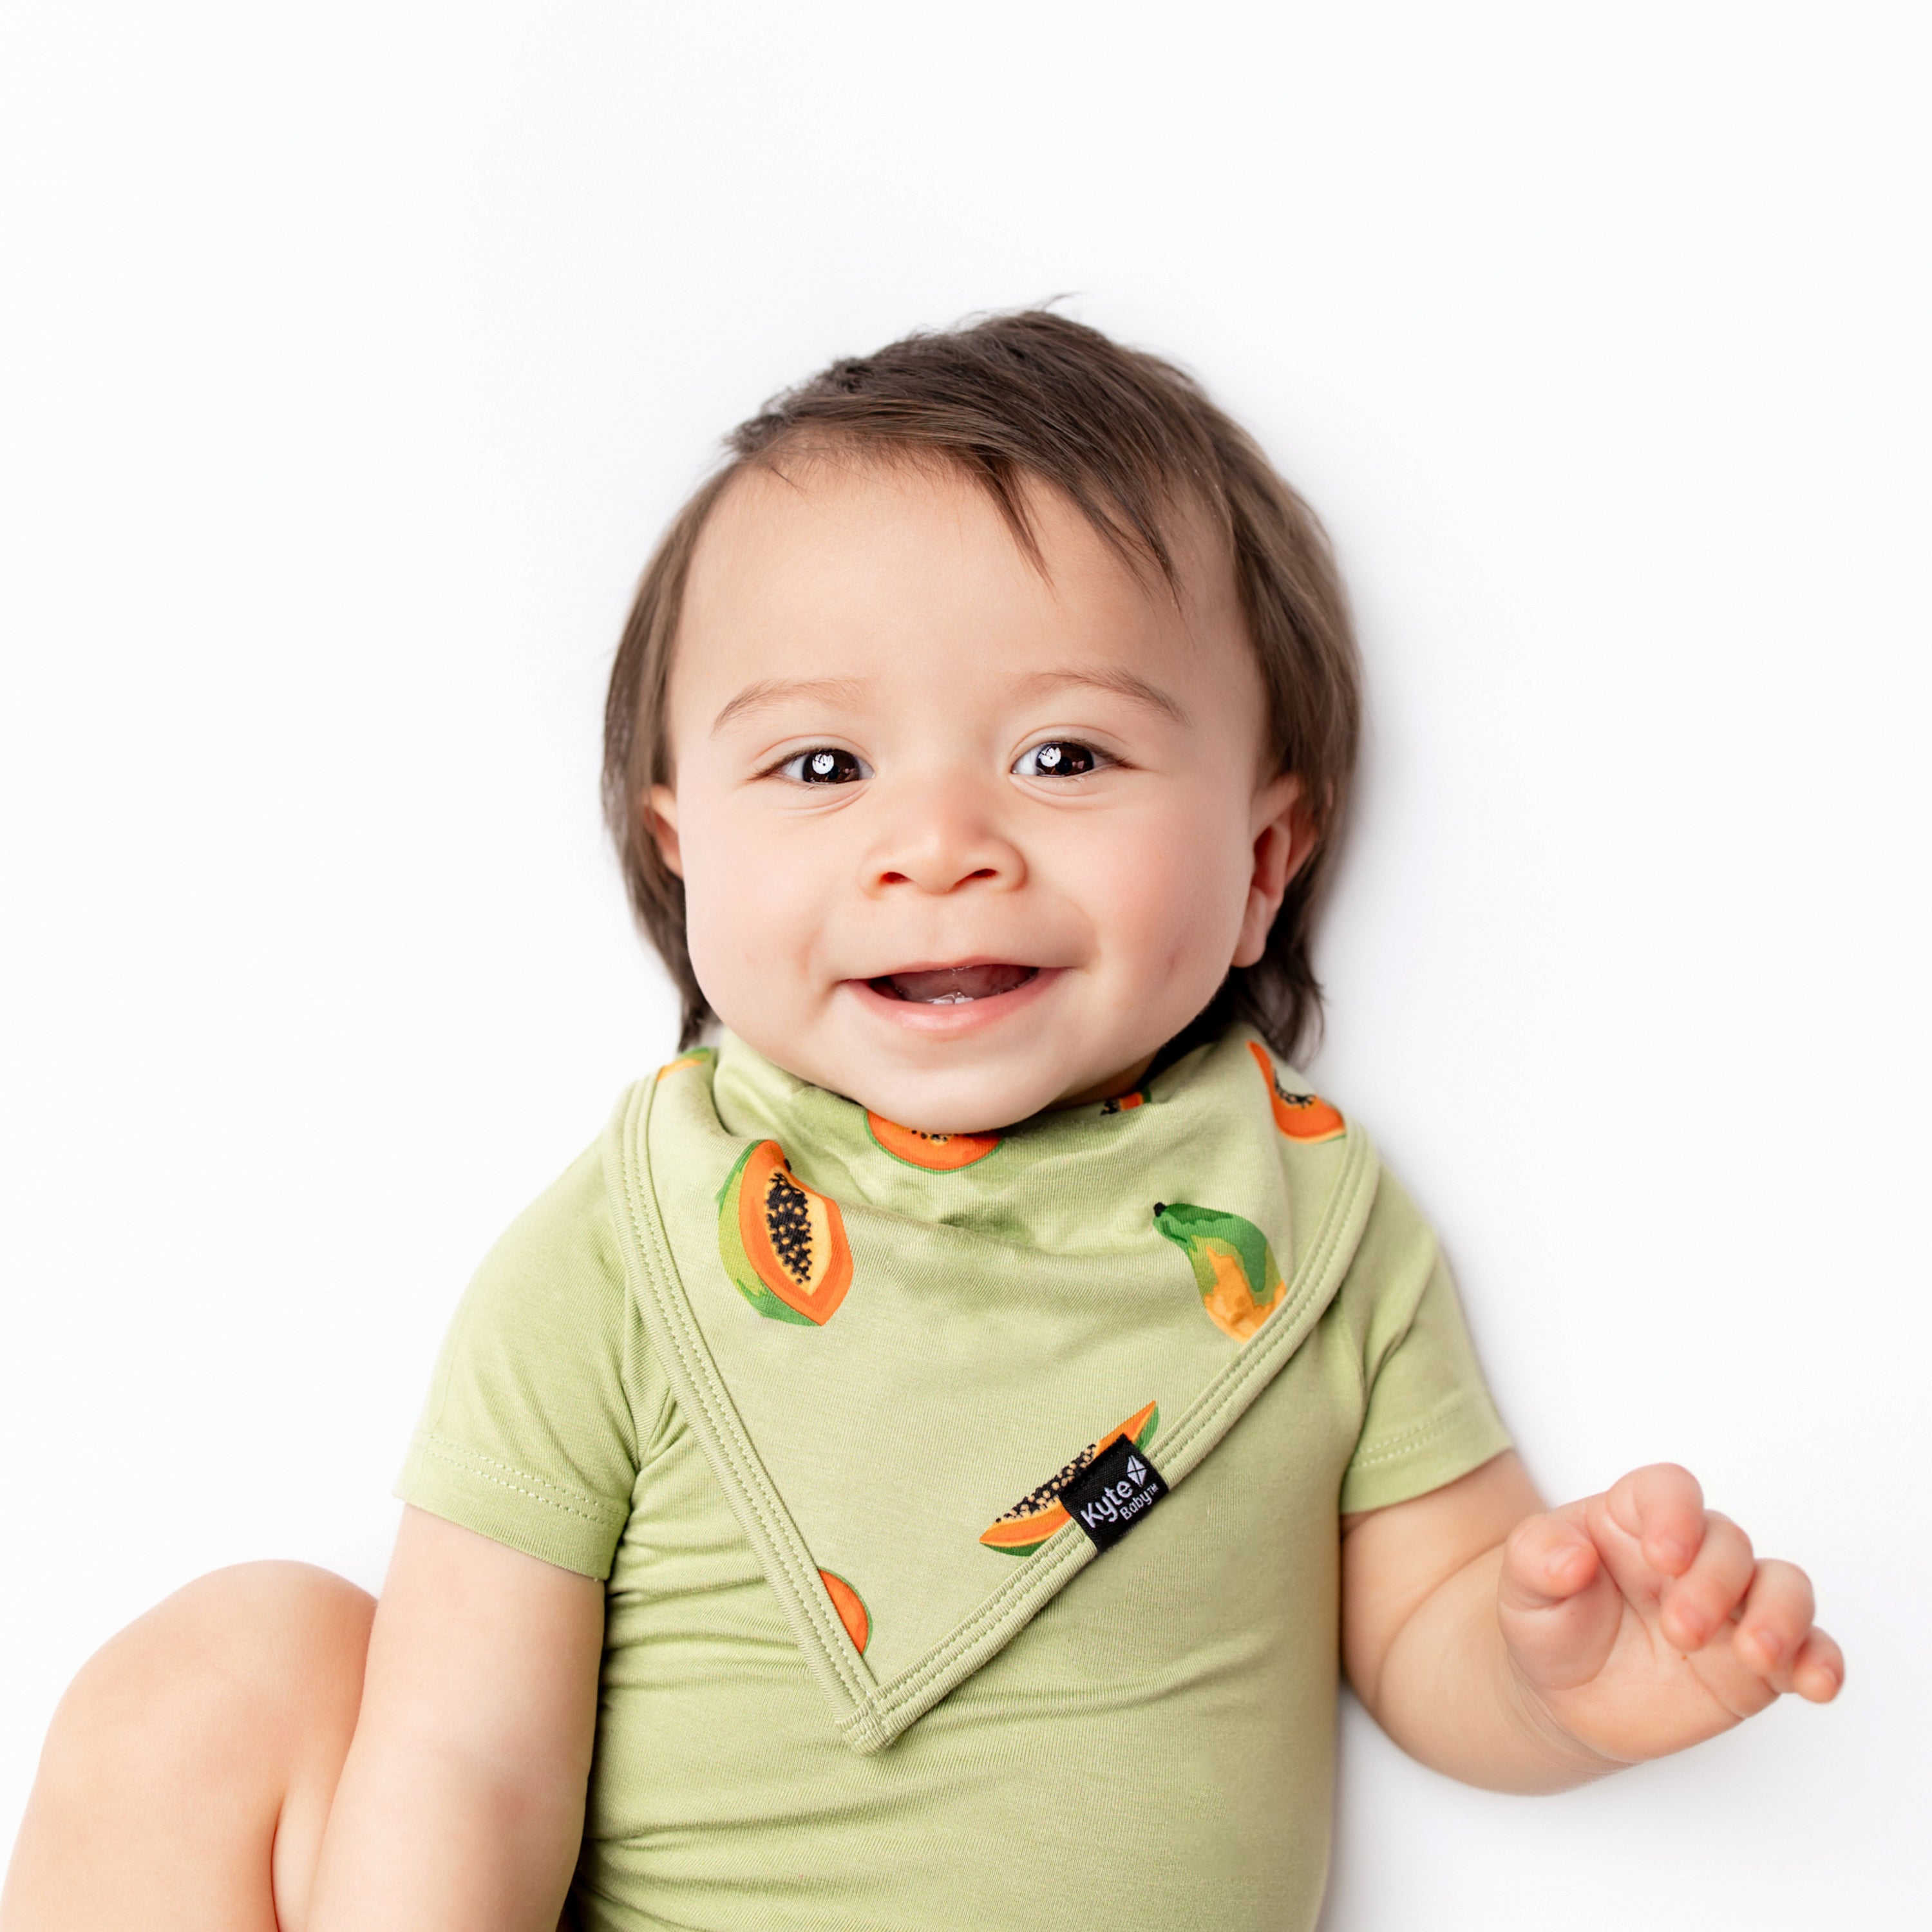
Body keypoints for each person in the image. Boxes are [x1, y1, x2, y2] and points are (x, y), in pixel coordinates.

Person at [1, 312, 1842, 1932]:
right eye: (823, 765)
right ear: (681, 856)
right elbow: (469, 1753)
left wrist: (1555, 1681)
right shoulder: (630, 1250)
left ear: (1265, 859)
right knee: (228, 1674)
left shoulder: (1310, 1235)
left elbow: (1424, 1621)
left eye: (1065, 756)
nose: (941, 843)